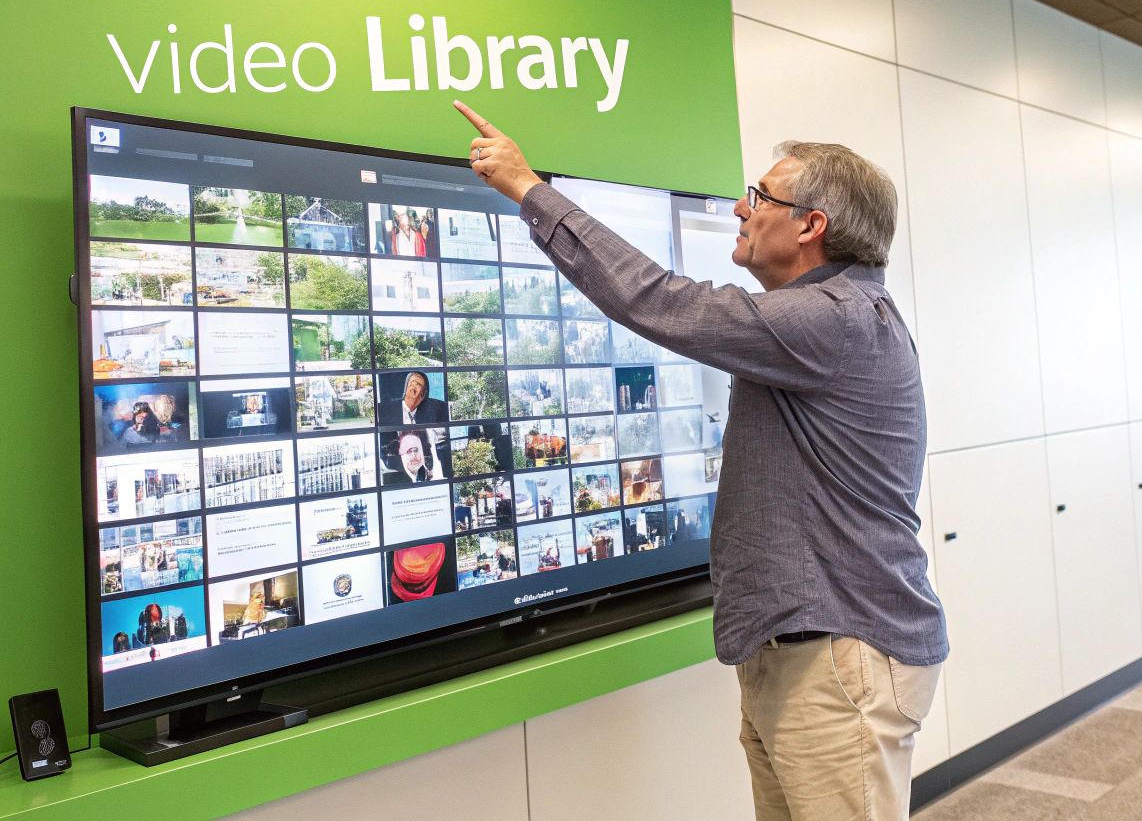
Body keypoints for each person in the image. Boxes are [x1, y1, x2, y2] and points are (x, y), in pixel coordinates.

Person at [452, 100, 946, 821]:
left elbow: (660, 300)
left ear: (812, 226)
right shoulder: (835, 319)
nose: (743, 211)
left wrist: (531, 189)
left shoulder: (830, 319)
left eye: (762, 198)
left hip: (841, 659)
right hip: (806, 650)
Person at [379, 370, 449, 427]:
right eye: (411, 382)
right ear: (405, 387)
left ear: (423, 394)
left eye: (418, 384)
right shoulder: (385, 410)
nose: (413, 386)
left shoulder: (432, 413)